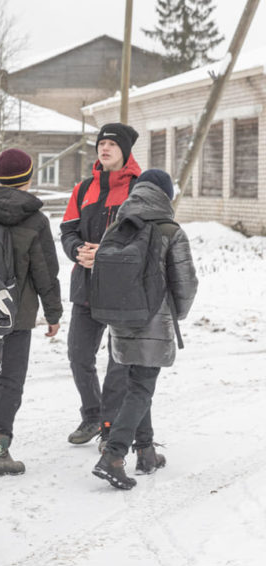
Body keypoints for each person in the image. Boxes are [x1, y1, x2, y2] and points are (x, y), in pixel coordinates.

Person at [92, 170, 197, 489]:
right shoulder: (170, 230)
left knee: (138, 383)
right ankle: (113, 455)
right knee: (141, 388)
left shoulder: (118, 227)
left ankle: (146, 451)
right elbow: (185, 283)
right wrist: (174, 314)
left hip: (121, 321)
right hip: (154, 318)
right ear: (165, 195)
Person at [0, 149, 63, 477]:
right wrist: (53, 313)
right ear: (29, 177)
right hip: (17, 314)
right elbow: (45, 272)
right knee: (11, 379)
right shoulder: (35, 220)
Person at [60, 123, 141, 446]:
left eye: (111, 144)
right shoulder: (83, 189)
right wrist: (77, 250)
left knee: (119, 362)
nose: (104, 148)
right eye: (101, 143)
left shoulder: (140, 188)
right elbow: (68, 230)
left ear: (125, 150)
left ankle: (111, 427)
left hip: (123, 290)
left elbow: (144, 239)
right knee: (78, 355)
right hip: (86, 286)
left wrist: (105, 255)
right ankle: (92, 416)